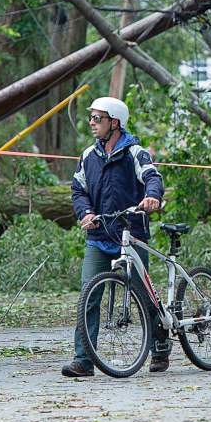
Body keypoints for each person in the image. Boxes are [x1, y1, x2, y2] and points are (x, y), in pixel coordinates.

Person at [62, 96, 169, 377]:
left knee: (145, 295)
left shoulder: (135, 152)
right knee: (88, 295)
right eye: (91, 118)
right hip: (98, 236)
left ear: (115, 123)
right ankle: (83, 360)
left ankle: (159, 344)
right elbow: (78, 189)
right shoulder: (88, 155)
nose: (92, 123)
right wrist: (84, 212)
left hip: (130, 234)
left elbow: (152, 176)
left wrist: (152, 197)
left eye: (98, 118)